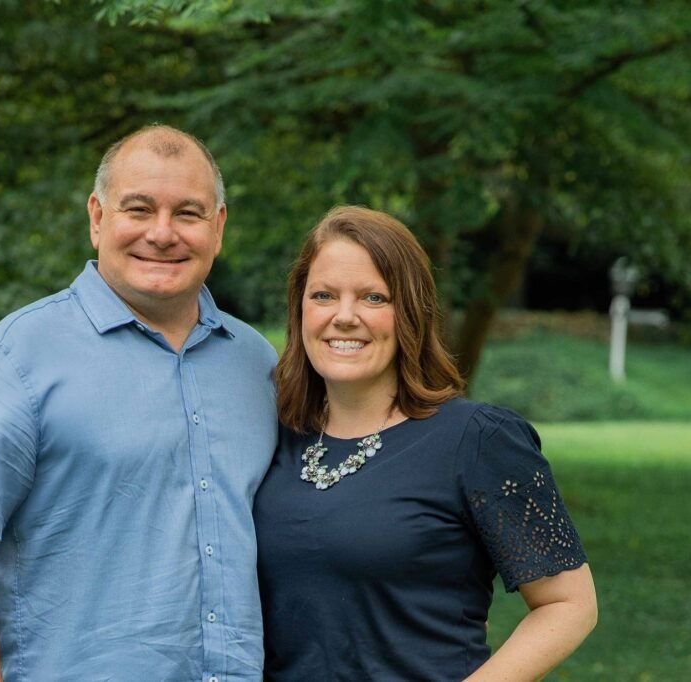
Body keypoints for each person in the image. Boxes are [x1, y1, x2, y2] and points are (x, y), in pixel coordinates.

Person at [0, 125, 278, 682]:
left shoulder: (255, 363)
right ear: (97, 217)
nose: (162, 233)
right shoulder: (17, 357)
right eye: (139, 209)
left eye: (188, 213)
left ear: (218, 226)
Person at [254, 206, 597, 681]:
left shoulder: (478, 439)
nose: (344, 316)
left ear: (411, 312)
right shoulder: (272, 435)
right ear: (300, 308)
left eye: (374, 297)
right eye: (324, 295)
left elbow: (569, 603)